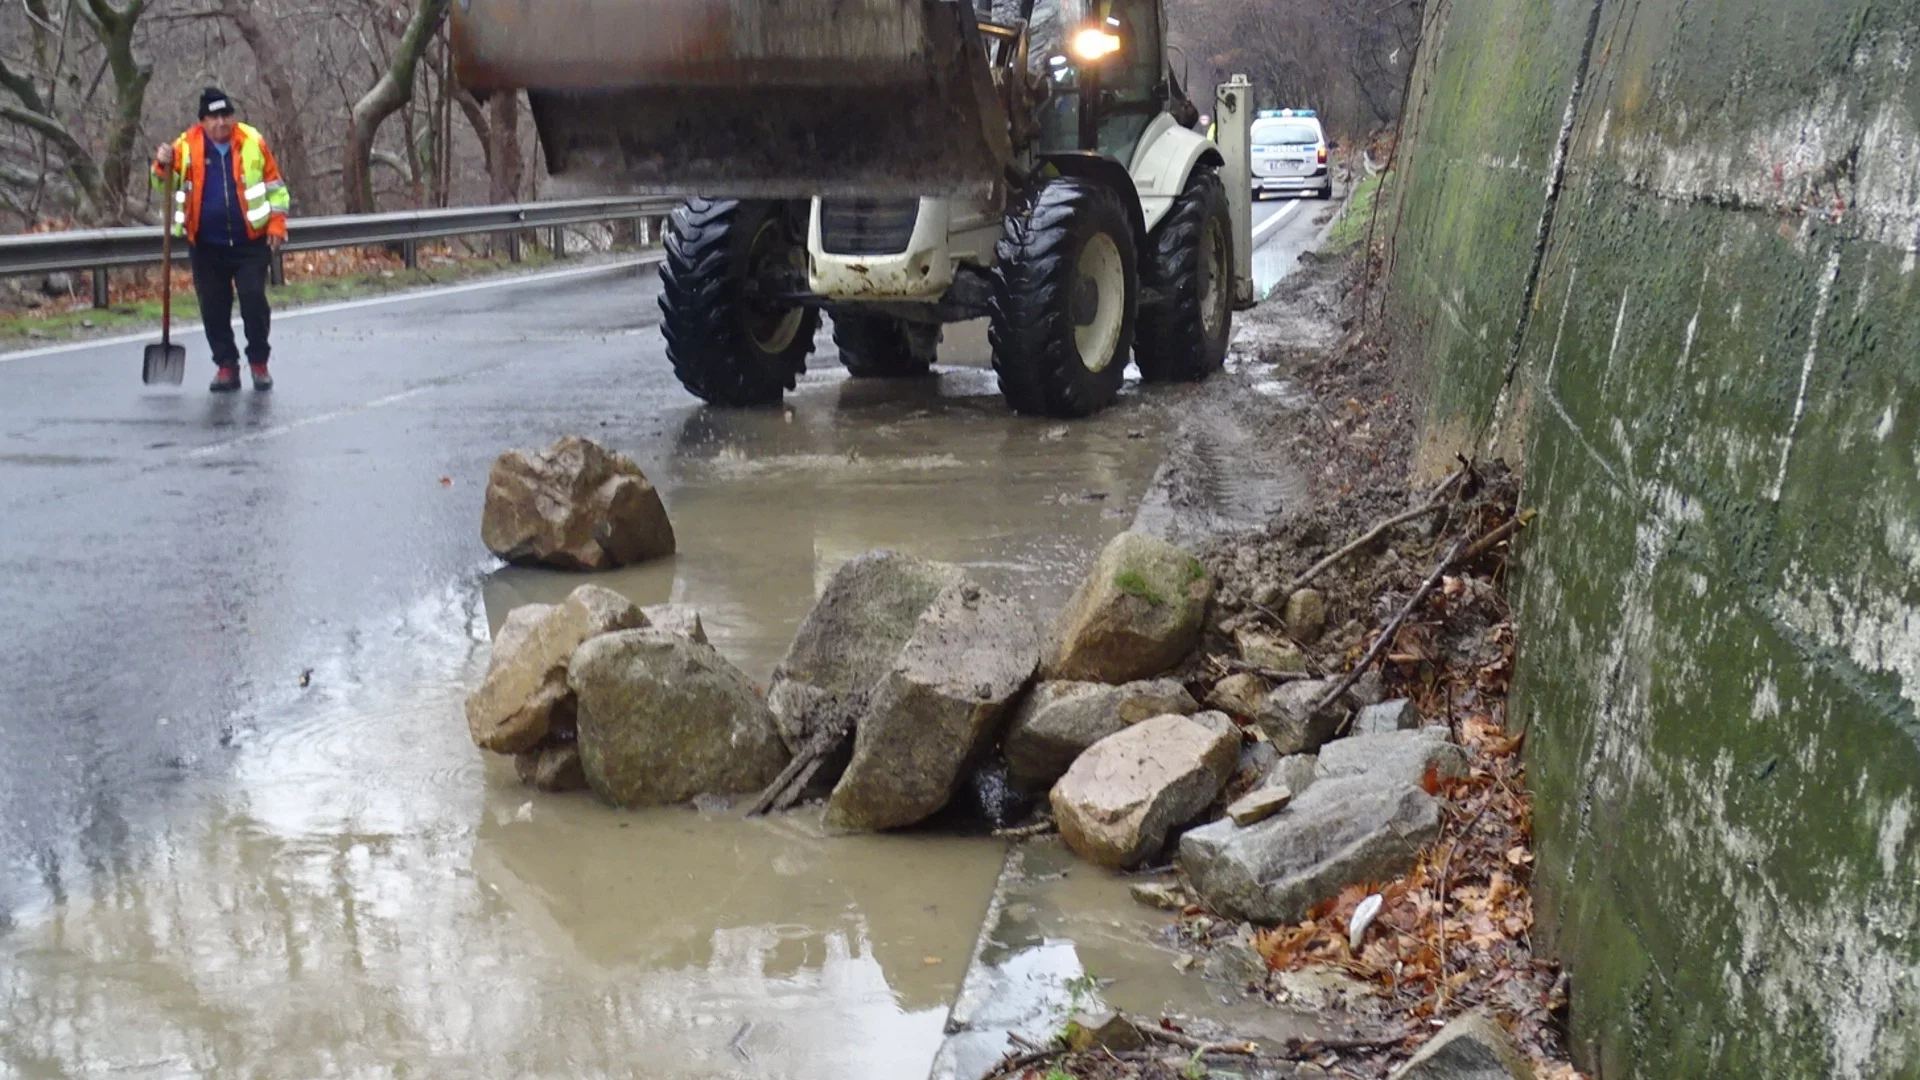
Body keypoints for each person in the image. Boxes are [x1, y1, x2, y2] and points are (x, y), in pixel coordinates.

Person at [152, 88, 290, 392]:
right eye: (213, 117)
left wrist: (277, 227)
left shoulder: (253, 142)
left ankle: (259, 363)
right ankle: (226, 366)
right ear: (202, 120)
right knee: (213, 307)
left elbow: (276, 187)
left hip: (250, 242)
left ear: (233, 116)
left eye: (226, 115)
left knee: (253, 300)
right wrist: (162, 163)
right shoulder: (185, 146)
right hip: (206, 245)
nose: (221, 123)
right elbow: (162, 180)